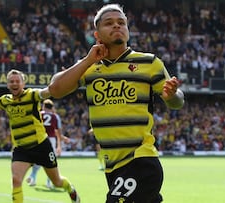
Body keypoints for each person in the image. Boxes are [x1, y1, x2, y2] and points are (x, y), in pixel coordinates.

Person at [48, 4, 184, 203]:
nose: (117, 26)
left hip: (140, 160)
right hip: (113, 166)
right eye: (109, 23)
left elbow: (177, 102)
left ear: (128, 30)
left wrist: (172, 95)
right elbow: (55, 89)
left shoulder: (149, 63)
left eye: (122, 23)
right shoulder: (90, 67)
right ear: (97, 34)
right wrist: (87, 60)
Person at [0, 69, 80, 203]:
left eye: (17, 81)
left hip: (41, 146)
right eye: (11, 81)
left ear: (23, 83)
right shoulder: (6, 101)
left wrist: (63, 79)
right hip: (21, 149)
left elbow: (47, 91)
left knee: (57, 181)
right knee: (16, 180)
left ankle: (70, 189)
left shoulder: (32, 95)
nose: (14, 83)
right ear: (7, 85)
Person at [26, 99, 70, 188]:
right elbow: (58, 132)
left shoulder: (39, 114)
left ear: (43, 106)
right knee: (51, 161)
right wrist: (60, 143)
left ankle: (33, 177)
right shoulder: (55, 116)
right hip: (51, 139)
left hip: (39, 138)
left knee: (38, 158)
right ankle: (49, 182)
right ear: (52, 107)